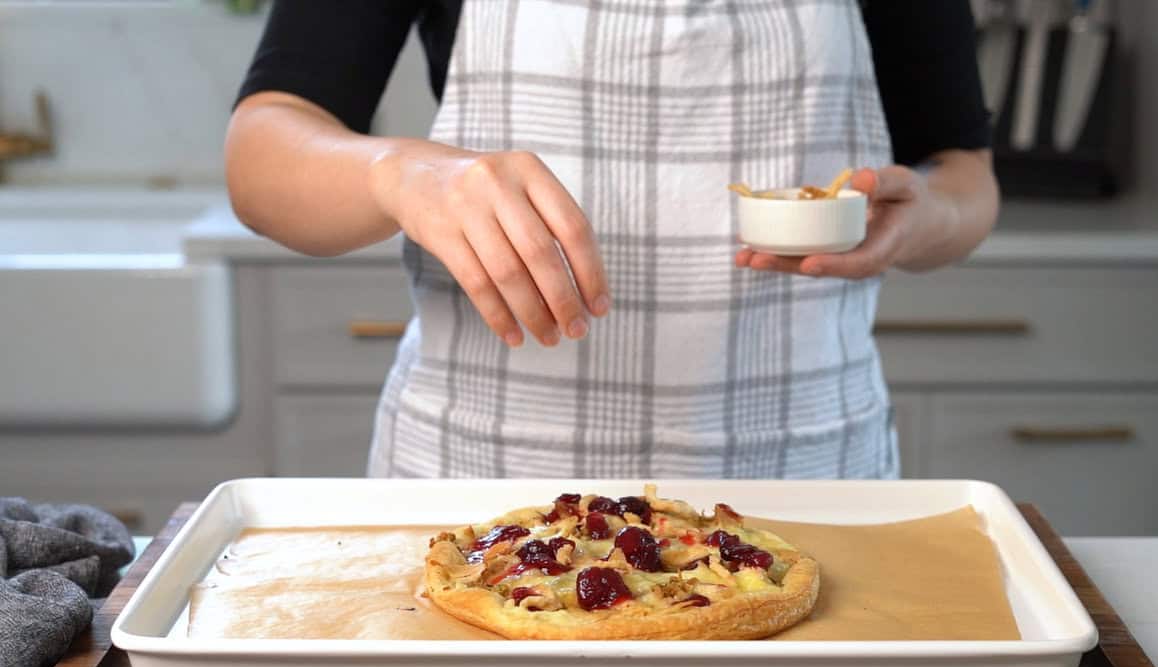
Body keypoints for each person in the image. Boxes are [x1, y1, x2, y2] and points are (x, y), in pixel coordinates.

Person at [226, 1, 999, 480]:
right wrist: (396, 172)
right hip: (483, 485)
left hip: (807, 473)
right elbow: (259, 157)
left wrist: (921, 214)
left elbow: (968, 177)